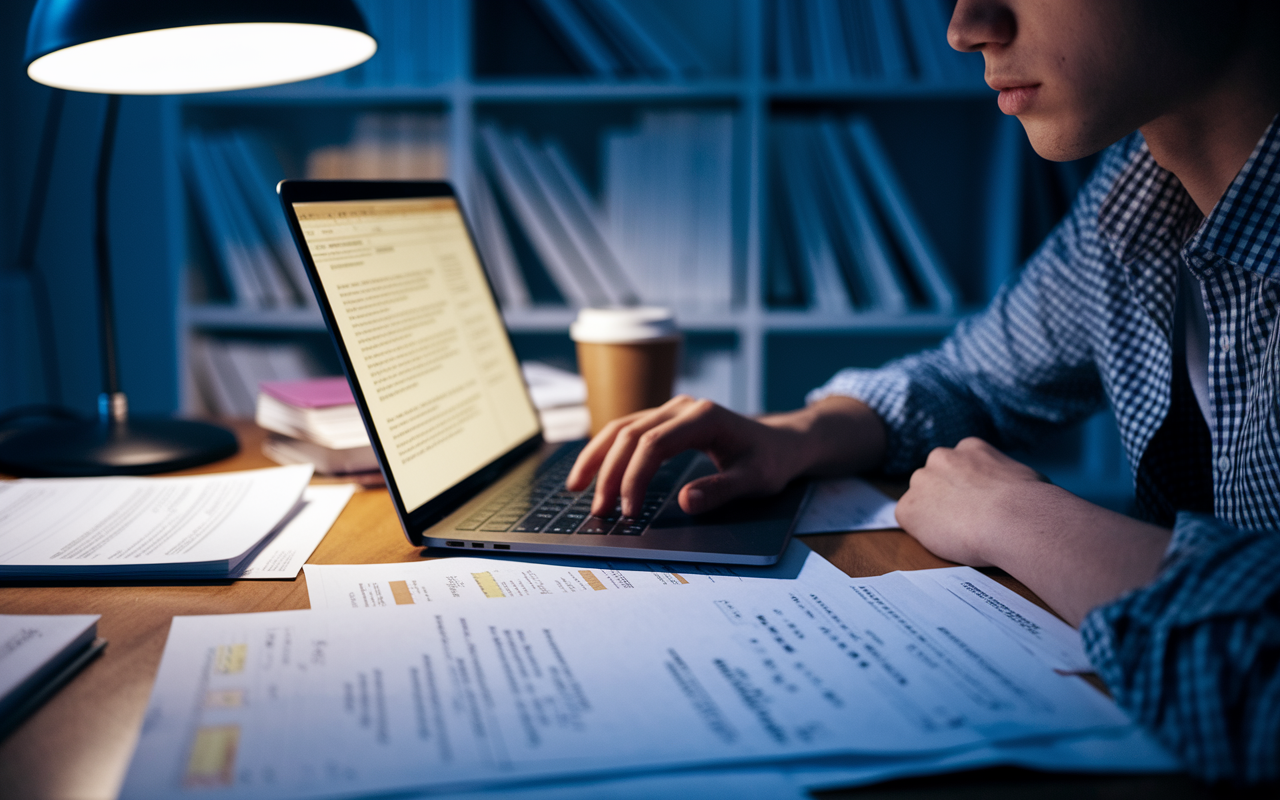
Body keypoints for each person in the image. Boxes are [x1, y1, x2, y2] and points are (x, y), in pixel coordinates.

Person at [566, 0, 1280, 785]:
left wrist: (1018, 517)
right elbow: (965, 377)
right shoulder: (1137, 198)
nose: (967, 25)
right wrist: (800, 433)